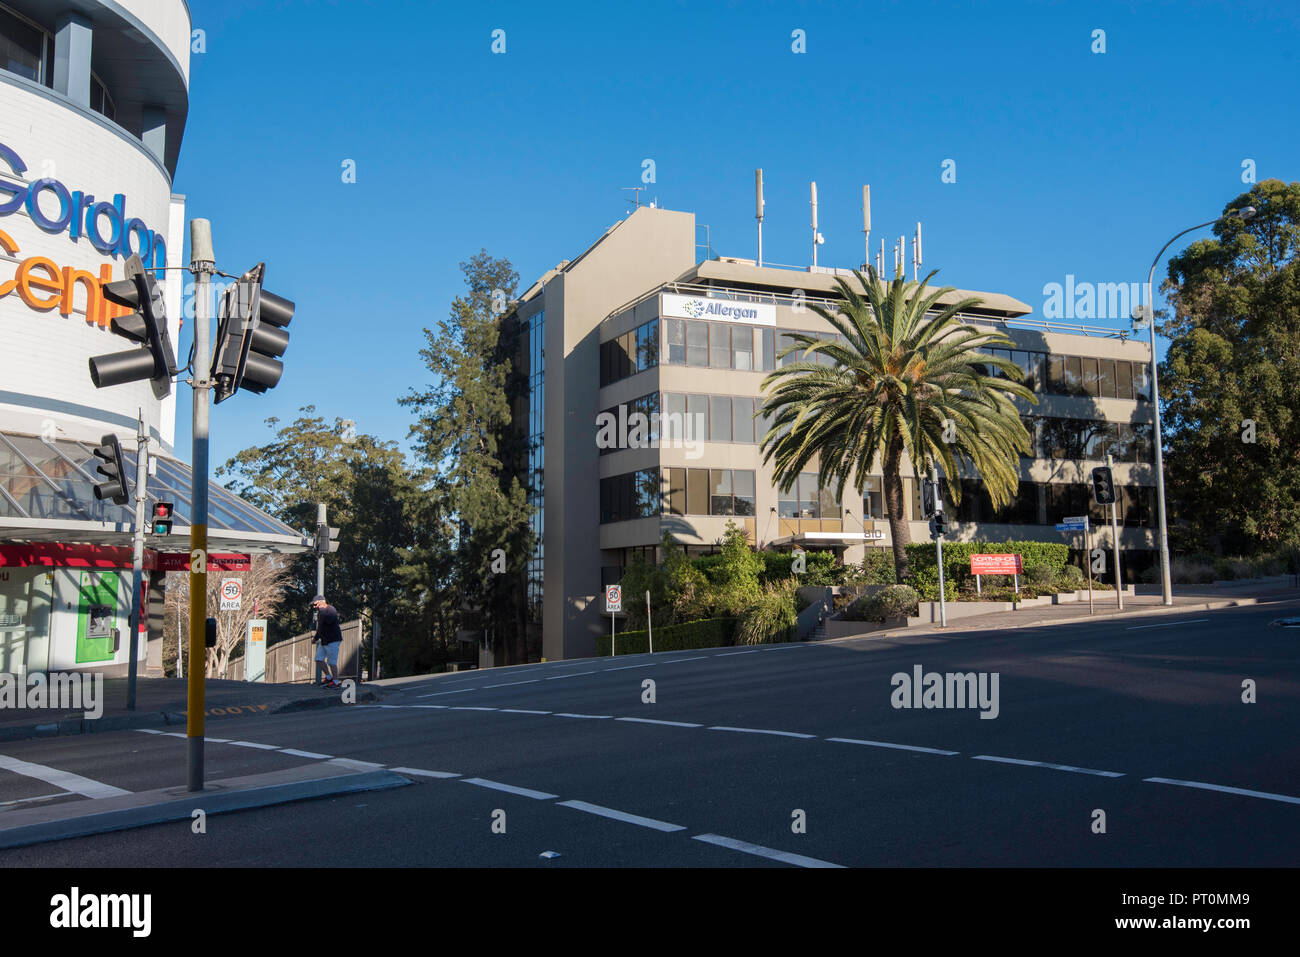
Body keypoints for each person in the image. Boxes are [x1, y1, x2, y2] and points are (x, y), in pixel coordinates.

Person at [311, 594, 343, 688]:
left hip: (333, 640)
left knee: (332, 662)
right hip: (324, 640)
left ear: (321, 602)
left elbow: (329, 620)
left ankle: (336, 682)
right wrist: (316, 638)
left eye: (315, 604)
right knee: (318, 659)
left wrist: (322, 610)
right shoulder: (321, 613)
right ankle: (329, 677)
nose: (314, 606)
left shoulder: (330, 609)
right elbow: (320, 628)